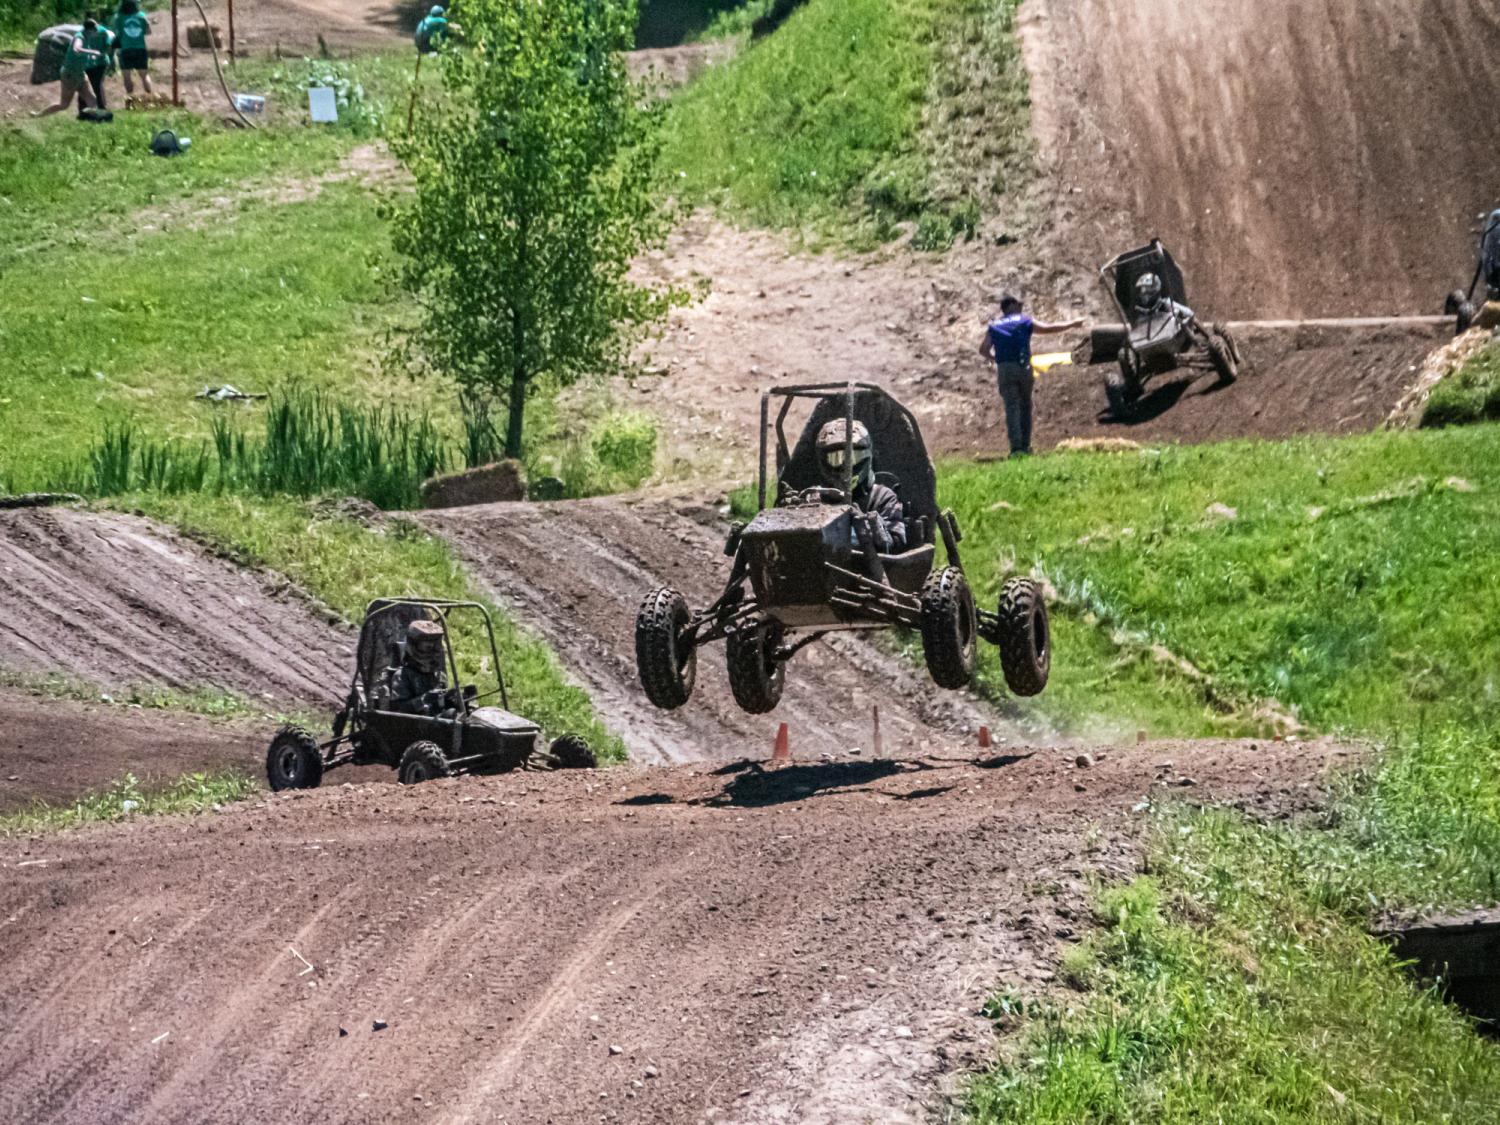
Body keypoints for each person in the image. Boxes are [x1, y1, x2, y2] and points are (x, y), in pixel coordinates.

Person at [979, 295, 1084, 457]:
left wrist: (997, 359)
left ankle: (1016, 448)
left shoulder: (994, 326)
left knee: (1011, 407)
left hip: (1005, 369)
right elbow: (1049, 328)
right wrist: (1072, 324)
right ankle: (1026, 445)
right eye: (1019, 304)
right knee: (1025, 406)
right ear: (1011, 306)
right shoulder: (1024, 321)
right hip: (1024, 367)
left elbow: (983, 349)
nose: (1021, 307)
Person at [814, 418, 906, 552]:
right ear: (824, 462)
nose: (846, 467)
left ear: (867, 456)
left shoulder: (882, 497)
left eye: (853, 458)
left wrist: (866, 526)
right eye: (836, 459)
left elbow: (897, 544)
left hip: (869, 564)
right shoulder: (815, 500)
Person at [376, 619, 450, 715]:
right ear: (414, 644)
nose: (431, 646)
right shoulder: (402, 676)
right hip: (413, 722)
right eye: (427, 643)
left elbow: (441, 704)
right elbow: (398, 710)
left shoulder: (438, 675)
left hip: (435, 719)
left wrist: (453, 698)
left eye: (434, 643)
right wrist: (423, 700)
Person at [35, 24, 101, 117]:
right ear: (89, 30)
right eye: (95, 32)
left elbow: (82, 55)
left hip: (80, 73)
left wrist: (92, 57)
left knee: (92, 99)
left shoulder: (87, 39)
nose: (96, 34)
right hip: (70, 74)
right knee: (64, 105)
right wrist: (92, 52)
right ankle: (38, 115)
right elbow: (77, 49)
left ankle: (95, 119)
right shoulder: (79, 38)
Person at [113, 0, 152, 97]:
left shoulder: (119, 17)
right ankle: (150, 97)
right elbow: (148, 32)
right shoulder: (141, 15)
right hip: (140, 48)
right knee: (144, 76)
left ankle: (130, 99)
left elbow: (117, 33)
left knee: (127, 77)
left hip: (126, 49)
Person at [80, 11, 115, 113]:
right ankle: (87, 108)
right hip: (89, 63)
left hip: (101, 62)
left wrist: (101, 54)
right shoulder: (83, 32)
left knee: (97, 84)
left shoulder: (103, 32)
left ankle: (102, 107)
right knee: (89, 85)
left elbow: (108, 46)